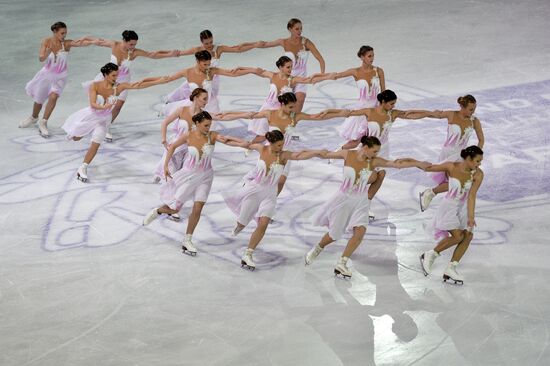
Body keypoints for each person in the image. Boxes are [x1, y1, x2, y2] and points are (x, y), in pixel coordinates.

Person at [304, 136, 430, 278]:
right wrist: (299, 154)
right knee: (335, 234)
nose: (376, 154)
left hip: (361, 201)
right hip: (343, 199)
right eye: (374, 151)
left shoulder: (374, 161)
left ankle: (341, 262)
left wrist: (418, 163)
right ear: (365, 147)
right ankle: (318, 248)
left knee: (360, 232)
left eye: (377, 152)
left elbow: (397, 163)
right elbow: (325, 154)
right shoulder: (347, 154)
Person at [142, 111, 250, 255]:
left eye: (210, 125)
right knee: (175, 209)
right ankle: (158, 211)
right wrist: (166, 166)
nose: (208, 127)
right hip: (189, 175)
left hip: (206, 176)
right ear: (197, 124)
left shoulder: (212, 135)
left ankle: (187, 239)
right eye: (206, 125)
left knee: (198, 207)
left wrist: (245, 144)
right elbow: (173, 147)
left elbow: (226, 140)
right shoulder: (189, 136)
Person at [222, 130, 325, 270]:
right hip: (254, 190)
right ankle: (239, 225)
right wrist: (227, 138)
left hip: (270, 194)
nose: (280, 148)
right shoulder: (261, 148)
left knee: (263, 224)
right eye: (278, 145)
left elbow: (299, 155)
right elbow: (244, 144)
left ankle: (248, 254)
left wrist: (317, 152)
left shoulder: (284, 155)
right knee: (242, 223)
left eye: (282, 144)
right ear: (270, 143)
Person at [62, 63, 171, 182]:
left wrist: (158, 81)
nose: (116, 78)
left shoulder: (119, 87)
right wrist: (104, 107)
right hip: (90, 116)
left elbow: (138, 85)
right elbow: (93, 103)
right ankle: (80, 133)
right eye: (113, 75)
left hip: (103, 120)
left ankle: (83, 167)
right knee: (76, 138)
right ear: (105, 75)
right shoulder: (95, 86)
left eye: (117, 75)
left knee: (96, 142)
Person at [87, 30, 180, 141]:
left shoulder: (134, 52)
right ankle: (94, 124)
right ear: (124, 41)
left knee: (118, 106)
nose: (133, 47)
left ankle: (105, 127)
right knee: (102, 103)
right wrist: (85, 39)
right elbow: (99, 41)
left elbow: (153, 55)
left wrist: (170, 54)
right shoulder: (114, 45)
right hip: (108, 78)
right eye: (131, 44)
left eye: (135, 44)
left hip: (123, 80)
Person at [419, 146, 484, 285]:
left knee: (468, 236)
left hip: (463, 209)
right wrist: (415, 163)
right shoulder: (451, 166)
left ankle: (451, 268)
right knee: (457, 236)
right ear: (468, 159)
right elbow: (430, 168)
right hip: (448, 207)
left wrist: (471, 217)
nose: (479, 164)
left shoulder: (478, 174)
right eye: (477, 161)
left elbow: (472, 196)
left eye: (480, 162)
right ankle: (430, 254)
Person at [20, 22, 97, 137]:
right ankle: (34, 117)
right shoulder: (46, 42)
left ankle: (43, 122)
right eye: (62, 33)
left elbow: (81, 44)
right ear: (55, 32)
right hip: (46, 75)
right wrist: (48, 51)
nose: (64, 35)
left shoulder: (66, 44)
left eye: (65, 33)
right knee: (39, 100)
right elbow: (41, 58)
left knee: (54, 96)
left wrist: (92, 41)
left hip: (60, 77)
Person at [414, 95, 485, 211]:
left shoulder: (475, 121)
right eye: (471, 109)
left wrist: (475, 155)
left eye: (474, 109)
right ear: (462, 106)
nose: (473, 112)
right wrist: (415, 113)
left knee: (459, 181)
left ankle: (432, 194)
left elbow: (481, 139)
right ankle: (432, 193)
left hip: (462, 155)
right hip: (447, 154)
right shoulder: (451, 114)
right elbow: (432, 114)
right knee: (454, 182)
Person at [254, 18, 326, 112]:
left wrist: (322, 74)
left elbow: (320, 59)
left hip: (301, 78)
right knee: (281, 104)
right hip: (287, 77)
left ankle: (291, 124)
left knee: (299, 102)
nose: (300, 31)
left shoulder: (306, 43)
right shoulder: (284, 42)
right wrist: (252, 45)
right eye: (297, 29)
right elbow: (264, 44)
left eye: (301, 28)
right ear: (290, 29)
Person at [162, 50, 260, 116]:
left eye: (209, 64)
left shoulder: (211, 71)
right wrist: (147, 83)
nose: (207, 67)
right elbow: (167, 79)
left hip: (210, 105)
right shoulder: (187, 72)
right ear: (198, 61)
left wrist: (251, 70)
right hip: (194, 105)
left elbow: (231, 73)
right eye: (205, 64)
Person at [323, 45, 386, 146]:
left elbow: (384, 92)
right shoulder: (355, 71)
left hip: (375, 108)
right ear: (362, 57)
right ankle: (337, 153)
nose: (372, 58)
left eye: (373, 56)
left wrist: (383, 108)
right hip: (362, 108)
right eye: (369, 56)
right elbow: (336, 75)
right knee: (357, 140)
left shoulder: (379, 71)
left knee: (374, 138)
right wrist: (319, 77)